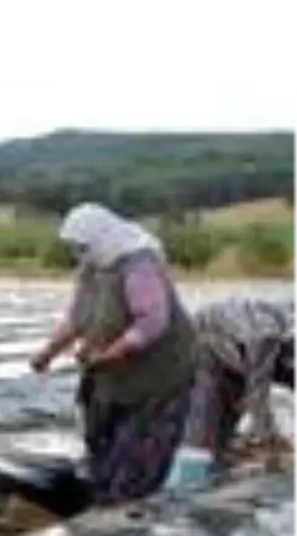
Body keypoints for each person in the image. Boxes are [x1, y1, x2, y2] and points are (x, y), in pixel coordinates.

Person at [30, 202, 197, 506]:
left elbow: (152, 323)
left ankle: (126, 512)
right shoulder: (91, 269)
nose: (78, 254)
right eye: (74, 248)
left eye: (82, 247)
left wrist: (110, 354)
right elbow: (78, 318)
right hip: (112, 376)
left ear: (102, 237)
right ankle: (101, 502)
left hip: (158, 378)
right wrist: (47, 353)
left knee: (137, 459)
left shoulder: (139, 266)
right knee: (100, 448)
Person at [164, 297, 297, 490]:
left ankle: (222, 456)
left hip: (239, 348)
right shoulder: (266, 339)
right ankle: (185, 484)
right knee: (203, 438)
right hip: (206, 347)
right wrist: (269, 439)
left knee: (226, 432)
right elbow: (257, 399)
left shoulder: (284, 332)